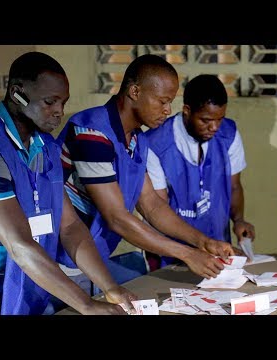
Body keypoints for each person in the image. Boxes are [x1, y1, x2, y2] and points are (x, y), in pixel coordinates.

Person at [0, 51, 136, 315]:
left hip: (13, 279)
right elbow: (19, 244)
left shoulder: (46, 146)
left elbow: (70, 226)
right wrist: (86, 304)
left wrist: (109, 286)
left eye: (63, 102)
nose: (59, 111)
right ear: (17, 93)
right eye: (50, 102)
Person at [56, 54, 234, 293]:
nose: (168, 110)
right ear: (135, 92)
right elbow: (116, 217)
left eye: (170, 102)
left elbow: (151, 205)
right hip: (64, 259)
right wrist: (187, 253)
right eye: (162, 101)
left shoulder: (137, 140)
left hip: (98, 254)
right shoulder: (92, 132)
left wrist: (203, 242)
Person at [144, 74, 255, 270]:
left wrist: (239, 220)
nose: (214, 127)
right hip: (170, 255)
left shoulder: (228, 133)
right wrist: (195, 248)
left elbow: (234, 186)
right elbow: (157, 208)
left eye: (220, 119)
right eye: (205, 120)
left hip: (218, 249)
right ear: (187, 110)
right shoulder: (155, 144)